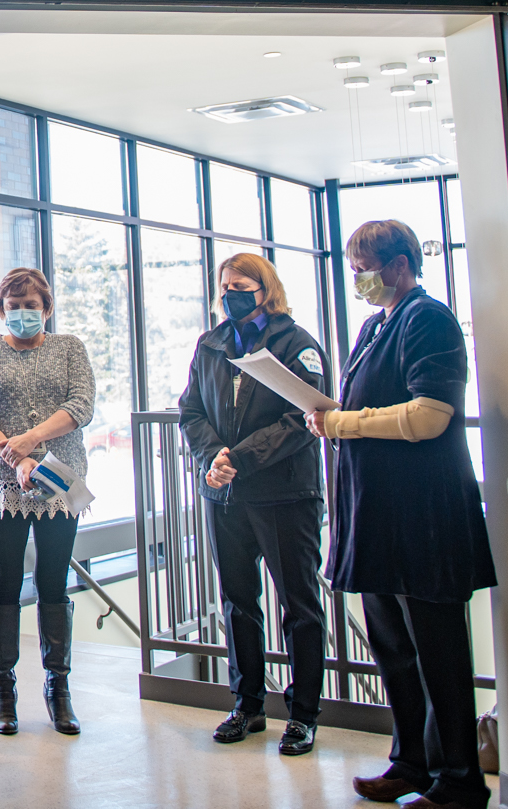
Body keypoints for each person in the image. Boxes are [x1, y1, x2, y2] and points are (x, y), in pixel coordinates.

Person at [307, 220, 495, 809]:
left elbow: (430, 415)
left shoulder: (428, 319)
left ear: (401, 264)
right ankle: (411, 762)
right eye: (353, 269)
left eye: (366, 268)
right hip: (378, 518)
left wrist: (342, 423)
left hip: (423, 518)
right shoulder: (375, 325)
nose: (359, 280)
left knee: (439, 657)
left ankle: (458, 781)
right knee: (395, 652)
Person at [177, 252, 328, 756]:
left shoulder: (297, 343)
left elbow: (304, 417)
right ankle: (247, 705)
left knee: (299, 606)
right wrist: (214, 457)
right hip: (224, 492)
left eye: (241, 287)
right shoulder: (211, 344)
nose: (230, 296)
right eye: (225, 287)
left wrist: (238, 457)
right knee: (238, 602)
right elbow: (191, 410)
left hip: (284, 493)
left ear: (266, 290)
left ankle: (303, 714)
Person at [0, 267, 94, 737]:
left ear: (47, 308)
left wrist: (31, 441)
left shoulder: (70, 348)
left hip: (60, 475)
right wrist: (14, 456)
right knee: (4, 582)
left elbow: (81, 406)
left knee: (53, 582)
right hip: (3, 479)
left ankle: (59, 688)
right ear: (2, 310)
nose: (23, 313)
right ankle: (3, 689)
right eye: (14, 306)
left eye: (31, 305)